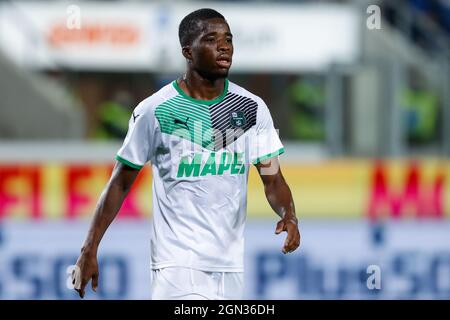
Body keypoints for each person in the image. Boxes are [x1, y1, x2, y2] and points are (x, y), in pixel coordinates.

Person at [72, 8, 300, 300]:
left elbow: (273, 179)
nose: (224, 46)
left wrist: (289, 215)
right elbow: (120, 182)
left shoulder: (252, 109)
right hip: (177, 268)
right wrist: (89, 249)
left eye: (228, 39)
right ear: (187, 52)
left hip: (230, 269)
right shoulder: (155, 110)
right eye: (211, 39)